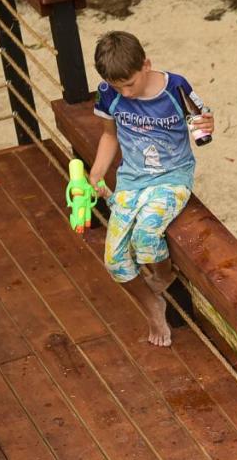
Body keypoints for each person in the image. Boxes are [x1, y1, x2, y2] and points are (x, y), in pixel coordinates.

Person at [89, 30, 214, 347]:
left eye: (130, 83)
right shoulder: (108, 92)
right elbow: (109, 134)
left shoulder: (175, 87)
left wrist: (205, 125)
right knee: (115, 261)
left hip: (172, 176)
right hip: (132, 178)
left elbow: (201, 121)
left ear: (146, 64)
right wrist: (97, 171)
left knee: (146, 236)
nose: (126, 93)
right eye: (119, 87)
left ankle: (163, 275)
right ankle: (151, 304)